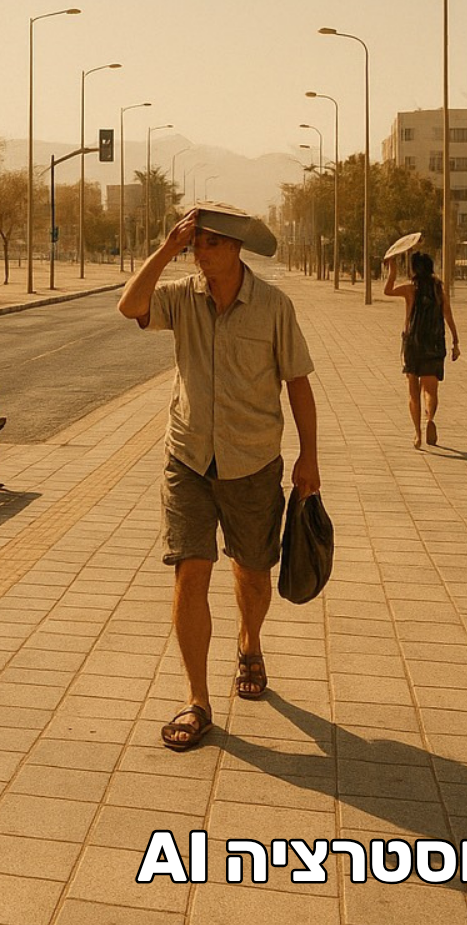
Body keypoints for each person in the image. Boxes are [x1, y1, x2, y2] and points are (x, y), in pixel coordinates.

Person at [117, 206, 320, 751]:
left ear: (235, 248)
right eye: (194, 244)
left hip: (253, 462)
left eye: (208, 243)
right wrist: (164, 249)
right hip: (187, 458)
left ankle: (250, 642)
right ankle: (196, 698)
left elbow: (298, 382)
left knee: (252, 573)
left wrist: (310, 459)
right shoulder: (181, 296)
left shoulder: (274, 307)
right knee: (190, 571)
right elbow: (129, 305)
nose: (199, 253)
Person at [384, 250, 459, 449]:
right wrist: (456, 342)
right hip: (434, 344)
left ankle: (417, 434)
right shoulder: (438, 290)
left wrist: (392, 268)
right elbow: (448, 316)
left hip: (413, 344)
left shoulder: (410, 288)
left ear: (414, 268)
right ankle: (430, 419)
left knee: (412, 391)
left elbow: (388, 290)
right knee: (430, 390)